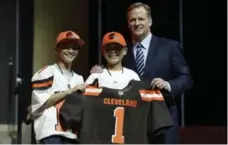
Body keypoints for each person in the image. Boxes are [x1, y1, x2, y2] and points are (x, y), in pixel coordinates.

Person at [90, 2, 193, 144]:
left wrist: (168, 85)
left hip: (163, 121)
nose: (136, 23)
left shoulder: (170, 46)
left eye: (141, 19)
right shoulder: (121, 50)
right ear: (128, 24)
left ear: (150, 21)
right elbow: (115, 72)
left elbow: (186, 78)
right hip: (133, 122)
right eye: (132, 20)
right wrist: (102, 72)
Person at [30, 30, 85, 144]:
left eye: (74, 48)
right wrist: (70, 91)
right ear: (57, 49)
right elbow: (42, 103)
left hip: (71, 134)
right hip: (50, 133)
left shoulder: (79, 78)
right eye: (66, 47)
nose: (71, 51)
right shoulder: (46, 72)